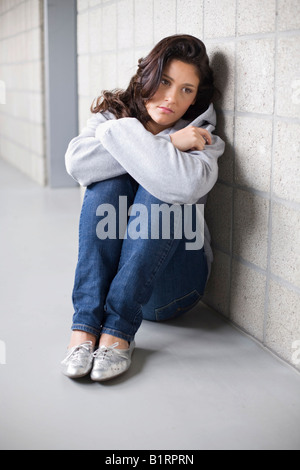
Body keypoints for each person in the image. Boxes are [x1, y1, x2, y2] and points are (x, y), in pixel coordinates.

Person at [61, 34, 225, 382]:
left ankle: (119, 331)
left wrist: (162, 145)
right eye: (165, 81)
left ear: (197, 97)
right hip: (111, 283)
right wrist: (165, 141)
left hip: (173, 288)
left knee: (164, 180)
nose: (171, 98)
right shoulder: (113, 117)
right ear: (148, 76)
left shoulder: (203, 137)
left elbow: (183, 186)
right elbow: (78, 164)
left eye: (186, 89)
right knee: (107, 182)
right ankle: (85, 327)